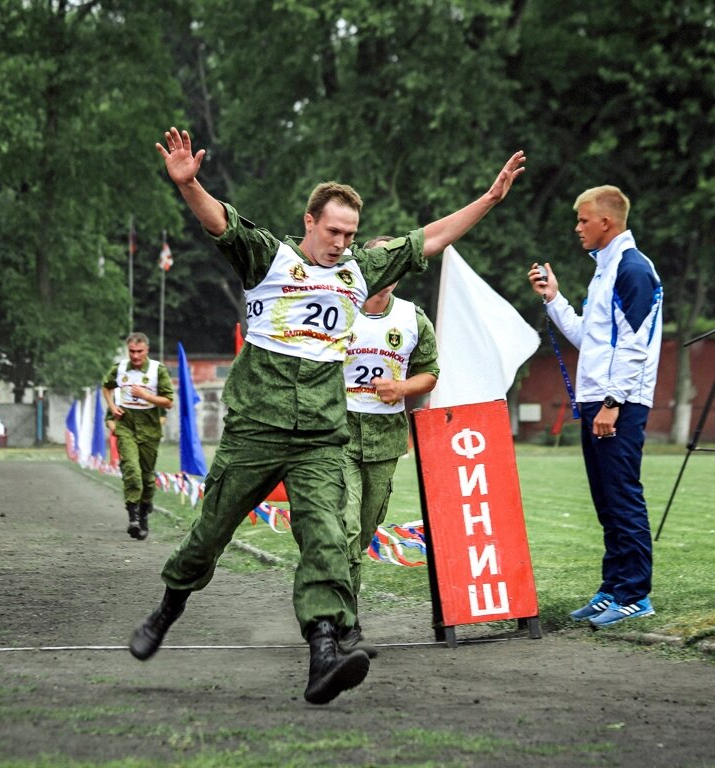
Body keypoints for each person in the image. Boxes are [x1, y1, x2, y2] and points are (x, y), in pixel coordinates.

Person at [129, 126, 525, 705]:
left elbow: (430, 238)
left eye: (351, 234)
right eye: (333, 230)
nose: (341, 242)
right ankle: (167, 609)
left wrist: (488, 200)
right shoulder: (269, 256)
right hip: (255, 432)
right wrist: (190, 185)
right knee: (208, 534)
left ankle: (322, 651)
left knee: (326, 539)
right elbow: (219, 220)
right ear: (311, 221)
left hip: (319, 436)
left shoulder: (361, 270)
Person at [528, 185, 662, 628]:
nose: (577, 227)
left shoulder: (633, 268)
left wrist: (611, 403)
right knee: (607, 502)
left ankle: (636, 594)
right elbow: (590, 338)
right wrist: (554, 298)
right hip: (598, 402)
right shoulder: (604, 270)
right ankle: (612, 588)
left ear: (607, 222)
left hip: (617, 404)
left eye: (583, 220)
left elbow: (636, 347)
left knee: (623, 498)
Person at [339, 236, 439, 657]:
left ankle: (332, 592)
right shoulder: (339, 309)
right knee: (345, 526)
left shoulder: (413, 318)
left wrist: (401, 387)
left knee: (363, 528)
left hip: (385, 438)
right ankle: (344, 619)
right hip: (336, 433)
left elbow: (430, 373)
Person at [102, 332, 174, 540]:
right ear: (128, 350)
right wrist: (112, 407)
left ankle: (144, 514)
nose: (135, 356)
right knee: (131, 469)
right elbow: (106, 387)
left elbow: (168, 401)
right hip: (126, 426)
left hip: (150, 428)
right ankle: (133, 518)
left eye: (139, 352)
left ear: (147, 350)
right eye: (132, 351)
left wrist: (147, 396)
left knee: (147, 477)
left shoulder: (156, 370)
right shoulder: (120, 368)